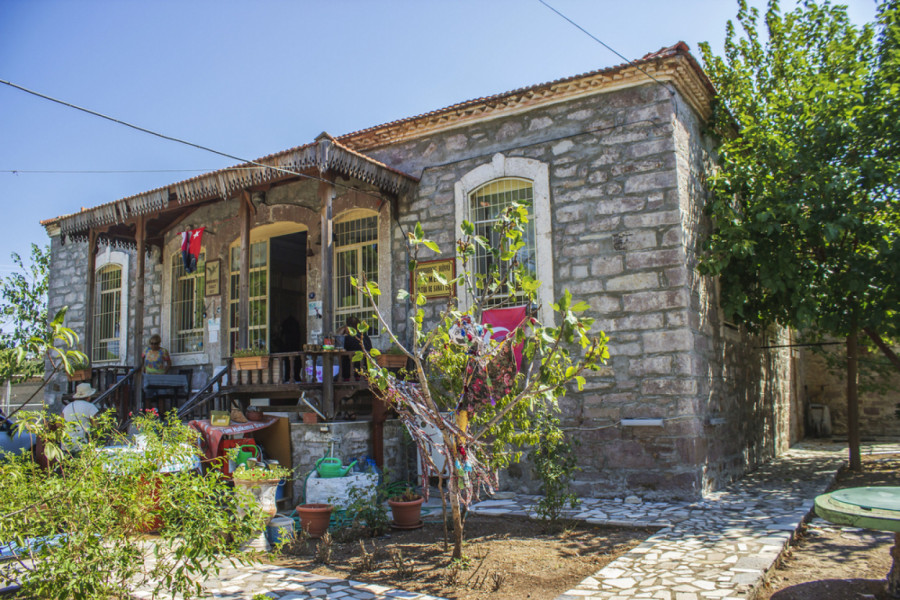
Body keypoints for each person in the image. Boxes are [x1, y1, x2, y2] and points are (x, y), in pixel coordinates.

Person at [338, 316, 372, 380]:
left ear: (347, 328)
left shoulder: (348, 338)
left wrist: (340, 333)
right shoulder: (366, 337)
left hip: (351, 373)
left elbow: (338, 347)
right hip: (366, 370)